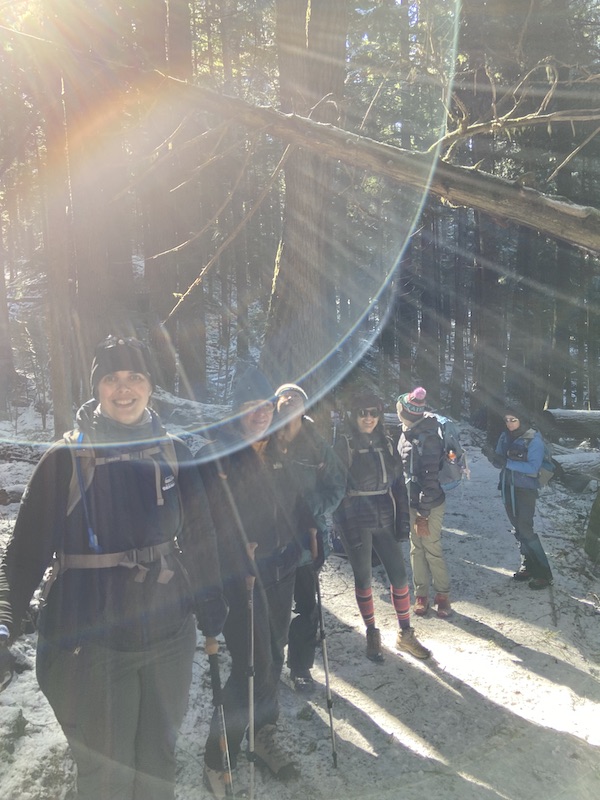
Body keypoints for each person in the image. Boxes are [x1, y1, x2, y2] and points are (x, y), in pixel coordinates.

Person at [0, 335, 227, 800]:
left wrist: (211, 596)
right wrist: (5, 617)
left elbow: (202, 538)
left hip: (168, 637)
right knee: (108, 775)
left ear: (151, 385)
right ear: (96, 388)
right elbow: (22, 556)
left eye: (135, 376)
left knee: (159, 762)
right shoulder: (64, 460)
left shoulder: (175, 453)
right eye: (111, 378)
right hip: (91, 645)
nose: (124, 388)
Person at [198, 367, 317, 798]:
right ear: (236, 412)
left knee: (275, 655)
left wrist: (309, 526)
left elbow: (291, 500)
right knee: (252, 666)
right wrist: (234, 550)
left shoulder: (276, 449)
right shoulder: (219, 456)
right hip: (241, 578)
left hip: (281, 568)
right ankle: (217, 756)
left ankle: (263, 733)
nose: (260, 414)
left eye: (265, 406)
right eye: (250, 407)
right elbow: (202, 522)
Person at [333, 391, 430, 663]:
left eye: (373, 413)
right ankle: (371, 632)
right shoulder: (345, 444)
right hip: (357, 518)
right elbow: (337, 489)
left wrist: (402, 521)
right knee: (363, 579)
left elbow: (398, 484)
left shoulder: (387, 442)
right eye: (362, 413)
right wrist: (346, 526)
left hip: (384, 516)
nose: (368, 418)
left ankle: (405, 633)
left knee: (399, 577)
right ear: (354, 415)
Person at [274, 383, 346, 692]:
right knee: (271, 608)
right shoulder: (265, 440)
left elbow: (337, 487)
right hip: (270, 542)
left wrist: (310, 507)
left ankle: (300, 667)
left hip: (307, 541)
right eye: (284, 396)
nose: (290, 400)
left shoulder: (317, 445)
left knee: (306, 607)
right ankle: (268, 664)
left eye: (297, 398)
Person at [482, 404, 553, 589]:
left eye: (513, 420)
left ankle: (544, 573)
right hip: (507, 487)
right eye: (506, 420)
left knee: (525, 528)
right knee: (518, 528)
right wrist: (492, 456)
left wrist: (507, 462)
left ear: (522, 420)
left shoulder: (534, 440)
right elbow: (500, 462)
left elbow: (533, 467)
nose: (509, 424)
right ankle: (528, 565)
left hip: (525, 490)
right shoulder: (505, 436)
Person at [396, 387, 452, 618]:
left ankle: (443, 595)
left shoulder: (428, 439)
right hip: (412, 503)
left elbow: (430, 481)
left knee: (431, 548)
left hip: (430, 505)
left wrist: (423, 513)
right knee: (416, 548)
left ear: (405, 412)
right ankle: (421, 595)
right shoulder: (406, 433)